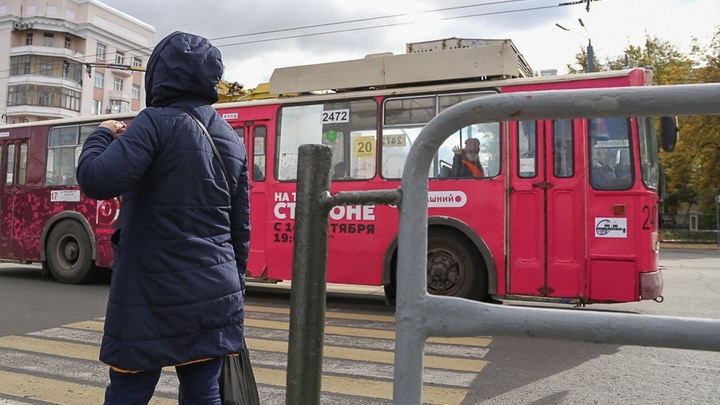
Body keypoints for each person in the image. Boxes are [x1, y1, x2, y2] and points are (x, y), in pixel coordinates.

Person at [76, 31, 250, 405]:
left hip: (148, 296)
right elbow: (241, 229)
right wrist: (233, 287)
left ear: (158, 74)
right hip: (214, 292)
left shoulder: (153, 122)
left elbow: (96, 179)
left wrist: (102, 135)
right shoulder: (231, 138)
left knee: (129, 391)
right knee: (204, 393)